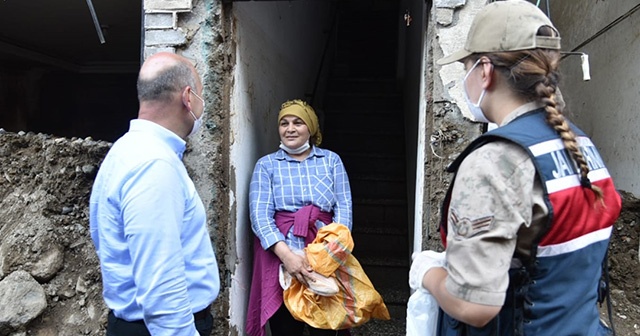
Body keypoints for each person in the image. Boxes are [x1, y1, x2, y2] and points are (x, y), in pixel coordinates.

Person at [409, 1, 622, 335]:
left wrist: (426, 273)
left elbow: (474, 306)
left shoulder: (495, 161)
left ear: (484, 70)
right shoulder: (579, 143)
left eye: (465, 65)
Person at [89, 52, 220, 336]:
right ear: (188, 97)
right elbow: (161, 287)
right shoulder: (154, 165)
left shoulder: (127, 150)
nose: (202, 104)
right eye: (200, 95)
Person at [245, 99, 353, 336]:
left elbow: (344, 211)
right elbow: (259, 216)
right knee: (285, 326)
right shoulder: (267, 165)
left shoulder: (331, 161)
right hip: (279, 255)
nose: (290, 128)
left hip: (323, 253)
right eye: (284, 123)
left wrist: (326, 254)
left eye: (298, 122)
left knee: (323, 326)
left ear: (311, 129)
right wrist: (288, 257)